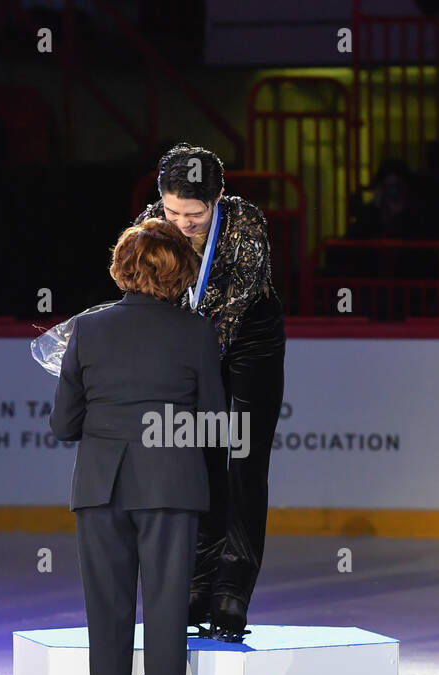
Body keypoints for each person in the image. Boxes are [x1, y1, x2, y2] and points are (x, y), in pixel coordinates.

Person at [50, 218, 226, 675]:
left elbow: (63, 425)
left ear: (122, 265)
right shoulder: (198, 334)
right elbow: (216, 425)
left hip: (101, 490)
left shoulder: (87, 331)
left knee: (108, 625)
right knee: (167, 622)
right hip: (171, 488)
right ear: (180, 270)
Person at [133, 143, 285, 639]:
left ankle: (233, 591)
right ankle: (197, 586)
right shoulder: (151, 224)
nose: (182, 223)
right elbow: (138, 293)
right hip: (192, 345)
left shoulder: (247, 225)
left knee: (242, 461)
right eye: (173, 210)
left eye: (194, 213)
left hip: (248, 343)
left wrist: (186, 354)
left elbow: (233, 310)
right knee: (199, 461)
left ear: (219, 197)